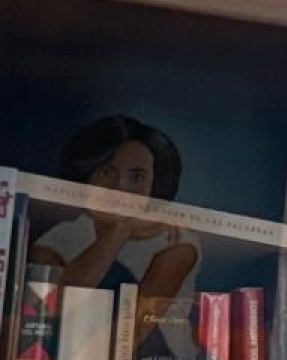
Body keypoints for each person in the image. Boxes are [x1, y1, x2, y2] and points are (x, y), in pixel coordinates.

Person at [28, 113, 199, 301]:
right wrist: (121, 230)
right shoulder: (60, 237)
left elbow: (137, 320)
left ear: (154, 185)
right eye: (106, 173)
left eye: (136, 177)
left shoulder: (175, 241)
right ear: (86, 176)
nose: (119, 187)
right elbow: (50, 304)